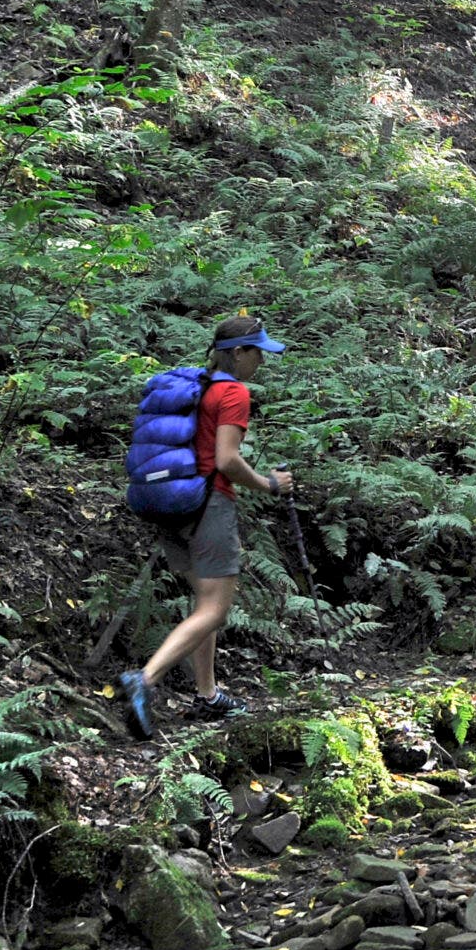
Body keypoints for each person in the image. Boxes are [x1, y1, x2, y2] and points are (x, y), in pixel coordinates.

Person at [118, 315, 294, 739]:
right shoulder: (233, 392)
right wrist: (269, 484)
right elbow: (227, 460)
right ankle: (145, 679)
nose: (261, 362)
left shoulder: (197, 387)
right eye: (257, 353)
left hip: (174, 505)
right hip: (209, 505)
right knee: (216, 608)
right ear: (238, 353)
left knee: (203, 605)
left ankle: (207, 693)